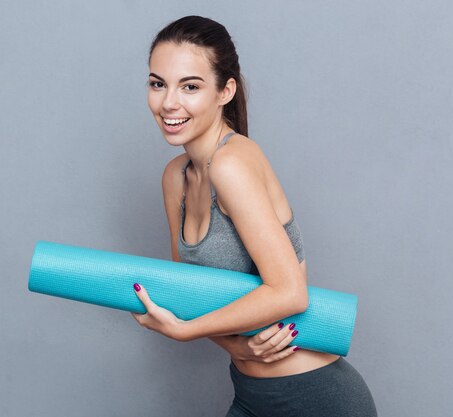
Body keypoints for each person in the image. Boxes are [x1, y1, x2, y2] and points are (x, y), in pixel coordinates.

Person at [130, 15, 377, 417]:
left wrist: (184, 331)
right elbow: (191, 294)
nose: (168, 103)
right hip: (251, 394)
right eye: (158, 84)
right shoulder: (175, 177)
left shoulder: (233, 164)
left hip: (313, 398)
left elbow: (289, 292)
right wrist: (235, 345)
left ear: (226, 90)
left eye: (190, 86)